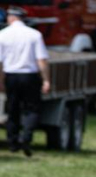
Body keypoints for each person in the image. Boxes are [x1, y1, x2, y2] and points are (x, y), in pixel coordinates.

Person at [0, 6, 50, 156]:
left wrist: (1, 80)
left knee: (12, 109)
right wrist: (46, 80)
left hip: (11, 75)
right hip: (29, 75)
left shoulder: (3, 35)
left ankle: (13, 142)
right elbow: (41, 60)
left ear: (11, 18)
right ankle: (26, 139)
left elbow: (0, 62)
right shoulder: (34, 35)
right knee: (31, 109)